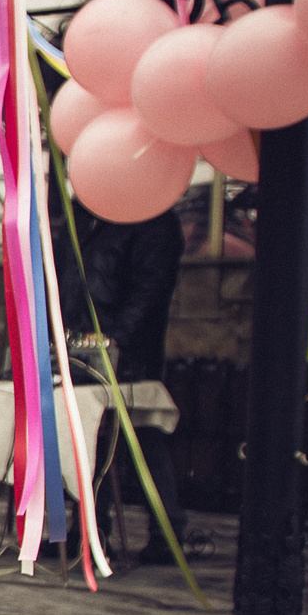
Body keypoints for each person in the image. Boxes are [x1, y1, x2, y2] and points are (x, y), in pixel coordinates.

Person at [82, 211, 187, 561]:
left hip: (126, 351)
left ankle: (165, 533)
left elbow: (150, 290)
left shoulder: (153, 223)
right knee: (94, 437)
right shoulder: (95, 219)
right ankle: (92, 527)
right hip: (91, 342)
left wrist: (115, 339)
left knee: (142, 435)